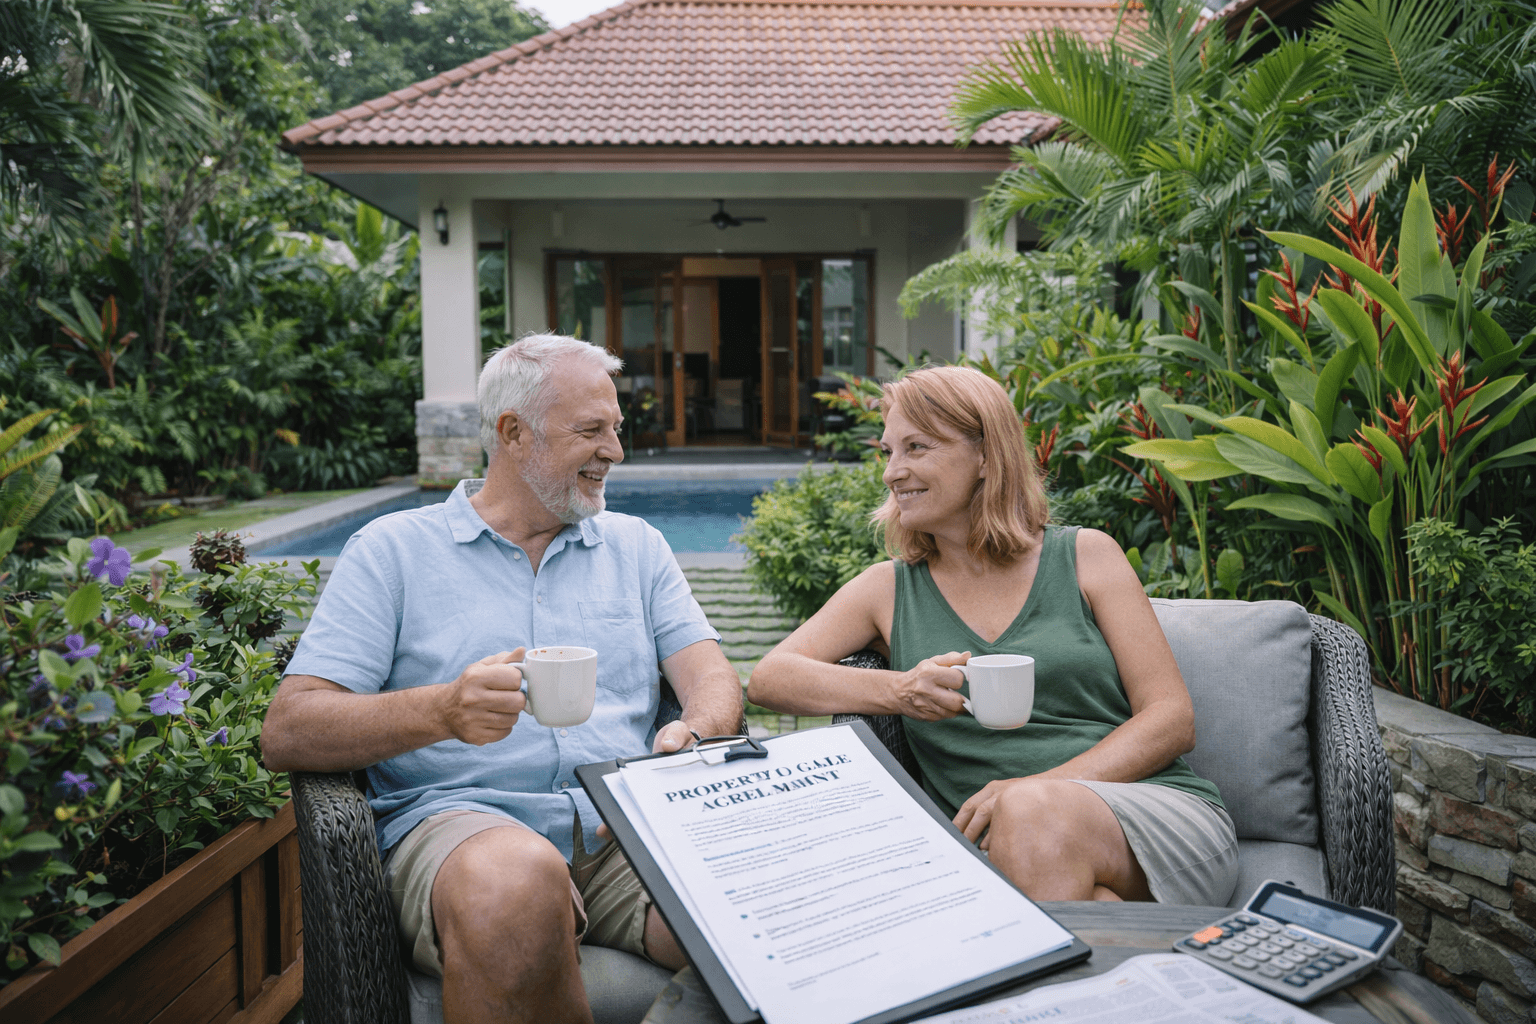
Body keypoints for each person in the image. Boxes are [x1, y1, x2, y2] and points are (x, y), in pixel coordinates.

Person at [262, 334, 744, 1024]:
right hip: (463, 830)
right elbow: (289, 728)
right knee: (517, 880)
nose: (616, 451)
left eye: (616, 428)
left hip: (624, 835)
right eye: (592, 430)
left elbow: (711, 676)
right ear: (513, 434)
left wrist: (697, 728)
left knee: (760, 909)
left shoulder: (637, 547)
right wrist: (444, 710)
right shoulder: (393, 551)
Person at [746, 365, 1237, 906]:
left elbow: (1171, 718)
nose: (892, 472)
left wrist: (1035, 793)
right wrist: (899, 691)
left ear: (985, 455)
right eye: (888, 451)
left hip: (1145, 814)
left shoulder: (1086, 555)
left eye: (917, 447)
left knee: (1030, 820)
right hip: (1002, 848)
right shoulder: (888, 589)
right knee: (1093, 909)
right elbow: (770, 678)